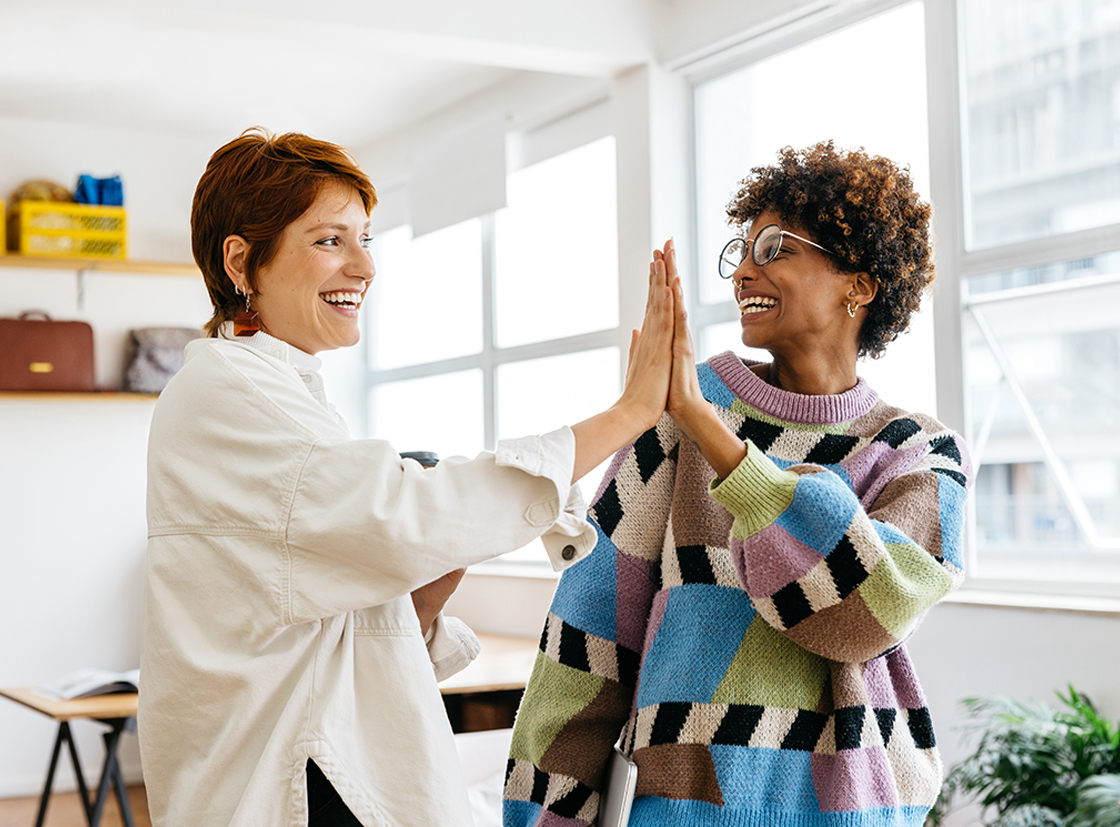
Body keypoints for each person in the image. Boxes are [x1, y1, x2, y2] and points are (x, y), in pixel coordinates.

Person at [138, 127, 676, 827]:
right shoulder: (229, 392)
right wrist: (628, 414)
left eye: (367, 239)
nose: (363, 265)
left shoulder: (286, 390)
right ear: (242, 260)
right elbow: (402, 515)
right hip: (289, 781)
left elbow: (315, 599)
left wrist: (416, 606)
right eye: (331, 240)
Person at [502, 141, 974, 827]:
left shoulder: (918, 453)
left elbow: (866, 611)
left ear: (860, 285)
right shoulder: (676, 421)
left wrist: (709, 430)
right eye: (741, 251)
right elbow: (585, 640)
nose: (743, 271)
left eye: (775, 248)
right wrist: (540, 816)